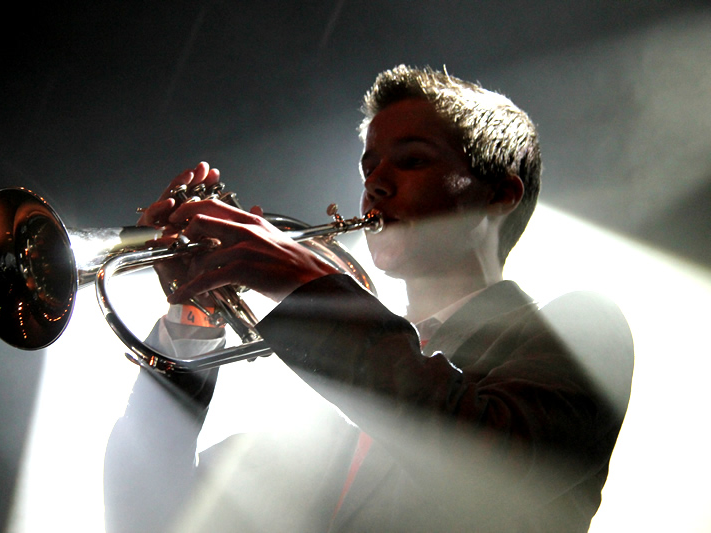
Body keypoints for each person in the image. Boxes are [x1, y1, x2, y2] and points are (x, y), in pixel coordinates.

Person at [104, 65, 634, 532]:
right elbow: (151, 516)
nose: (375, 185)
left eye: (412, 161)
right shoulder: (326, 415)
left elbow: (487, 469)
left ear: (499, 194)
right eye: (369, 167)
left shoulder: (580, 327)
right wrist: (193, 317)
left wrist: (308, 289)